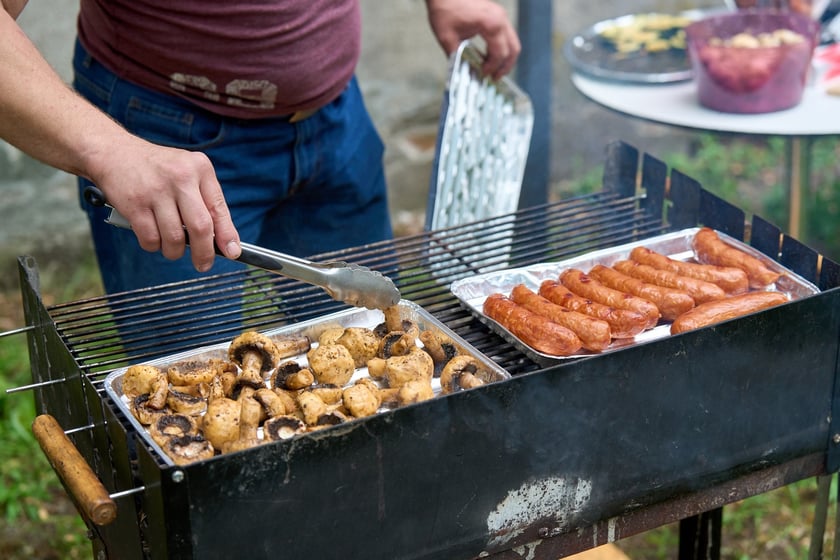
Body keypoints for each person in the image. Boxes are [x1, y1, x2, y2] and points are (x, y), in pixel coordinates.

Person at [0, 0, 521, 295]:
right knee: (194, 409)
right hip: (160, 138)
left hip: (336, 118)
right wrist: (109, 151)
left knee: (370, 353)